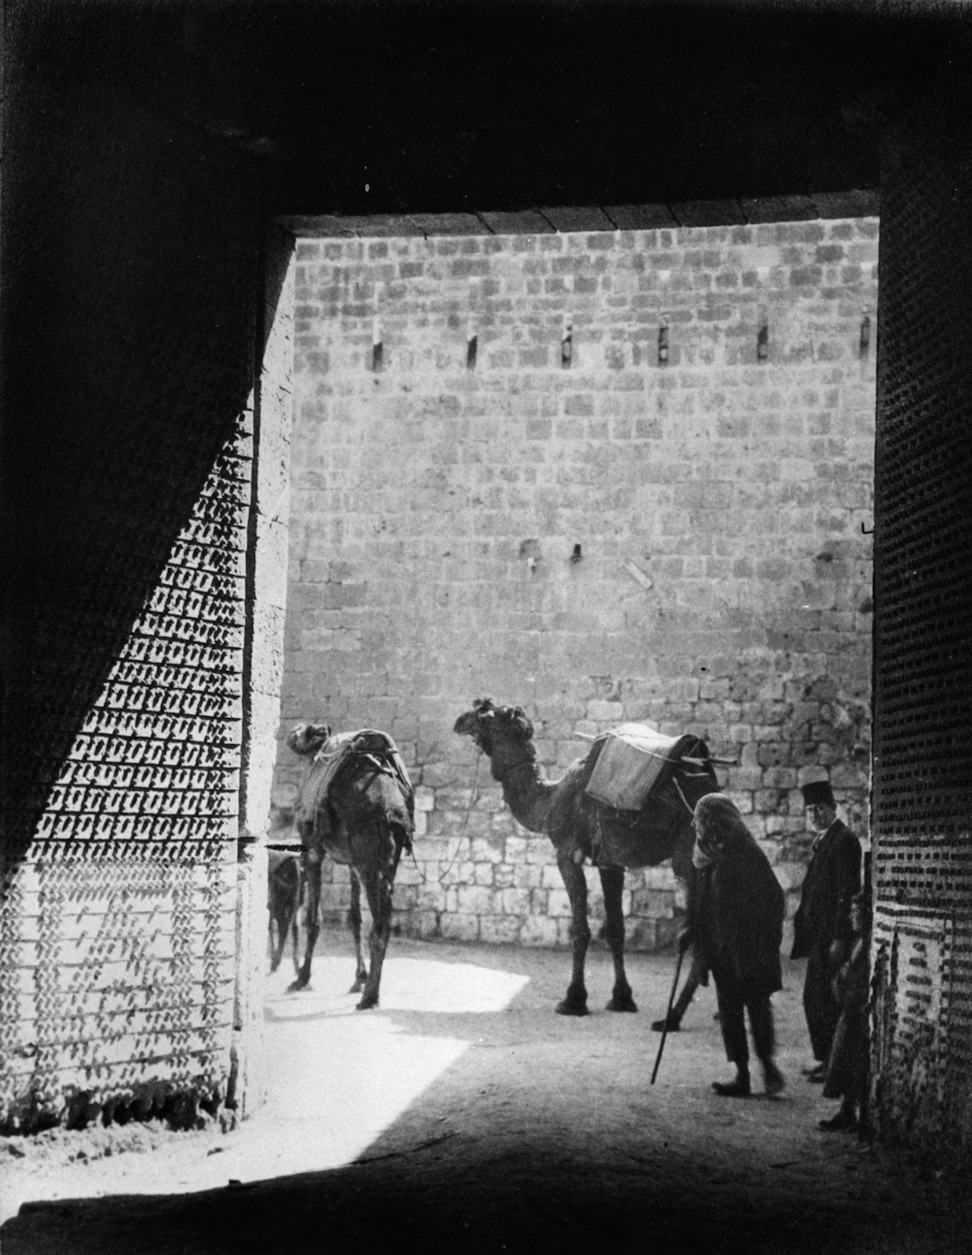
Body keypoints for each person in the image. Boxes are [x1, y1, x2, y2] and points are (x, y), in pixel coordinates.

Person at [680, 792, 786, 1097]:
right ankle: (741, 1075)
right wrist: (690, 930)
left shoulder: (746, 854)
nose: (695, 825)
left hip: (747, 949)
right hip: (718, 948)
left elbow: (774, 899)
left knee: (756, 1006)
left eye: (700, 819)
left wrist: (761, 939)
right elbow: (699, 900)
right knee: (729, 1011)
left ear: (715, 822)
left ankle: (768, 1068)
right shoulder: (703, 856)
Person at [791, 779, 862, 1083]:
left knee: (824, 1000)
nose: (815, 814)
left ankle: (834, 1064)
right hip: (819, 934)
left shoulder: (844, 840)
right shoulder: (824, 840)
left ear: (834, 808)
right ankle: (826, 1059)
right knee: (815, 999)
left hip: (830, 936)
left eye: (820, 808)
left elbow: (846, 892)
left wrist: (839, 937)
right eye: (810, 809)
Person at [819, 858, 872, 1133]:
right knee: (848, 1063)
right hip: (849, 1015)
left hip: (857, 1016)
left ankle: (857, 1113)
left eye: (857, 912)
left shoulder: (867, 944)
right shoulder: (859, 941)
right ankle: (847, 1110)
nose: (852, 916)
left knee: (857, 1065)